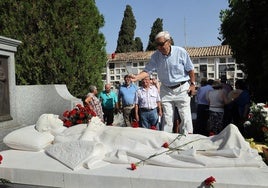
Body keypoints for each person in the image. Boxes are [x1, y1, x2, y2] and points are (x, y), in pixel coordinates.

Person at [130, 31, 195, 134]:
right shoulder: (156, 56)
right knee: (167, 119)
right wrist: (136, 77)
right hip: (166, 89)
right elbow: (147, 70)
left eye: (161, 44)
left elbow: (190, 69)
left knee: (185, 117)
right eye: (157, 45)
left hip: (182, 88)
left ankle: (186, 140)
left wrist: (192, 84)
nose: (159, 47)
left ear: (168, 42)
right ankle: (166, 141)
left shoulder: (181, 52)